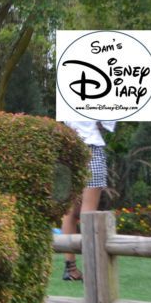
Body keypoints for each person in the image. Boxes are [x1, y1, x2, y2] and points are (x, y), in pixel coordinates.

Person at [60, 120, 116, 280]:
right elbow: (105, 123)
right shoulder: (95, 99)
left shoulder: (68, 96)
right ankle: (90, 267)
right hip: (91, 148)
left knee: (70, 211)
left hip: (69, 149)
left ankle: (70, 267)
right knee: (88, 211)